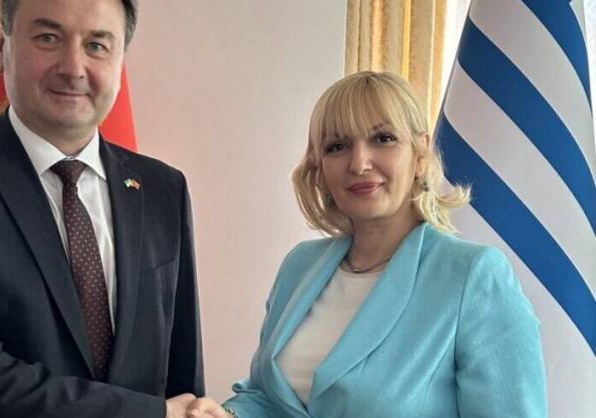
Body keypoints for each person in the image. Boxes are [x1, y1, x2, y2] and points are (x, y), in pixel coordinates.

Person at [0, 0, 203, 416]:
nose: (73, 68)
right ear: (3, 51)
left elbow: (183, 374)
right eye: (48, 37)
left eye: (97, 45)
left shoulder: (163, 188)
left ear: (120, 61)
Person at [187, 71, 546, 418]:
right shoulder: (299, 265)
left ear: (420, 154)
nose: (359, 163)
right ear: (319, 167)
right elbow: (268, 398)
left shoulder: (474, 276)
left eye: (383, 138)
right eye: (337, 146)